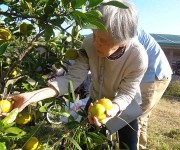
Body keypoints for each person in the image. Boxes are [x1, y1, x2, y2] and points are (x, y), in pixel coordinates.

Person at [1, 1, 148, 149]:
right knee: (86, 142)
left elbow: (127, 93)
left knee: (128, 145)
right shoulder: (89, 43)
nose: (95, 42)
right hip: (96, 103)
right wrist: (31, 96)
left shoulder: (137, 57)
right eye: (94, 34)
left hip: (126, 106)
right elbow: (72, 79)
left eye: (102, 40)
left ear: (122, 43)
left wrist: (114, 109)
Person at [136, 28, 173, 150]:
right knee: (142, 117)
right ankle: (140, 146)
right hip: (155, 75)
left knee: (135, 117)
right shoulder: (129, 28)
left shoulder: (128, 31)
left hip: (153, 76)